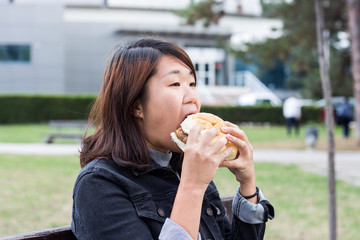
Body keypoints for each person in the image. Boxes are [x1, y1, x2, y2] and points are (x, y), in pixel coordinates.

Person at [71, 37, 274, 240]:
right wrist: (192, 186)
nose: (192, 96)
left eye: (192, 83)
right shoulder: (99, 183)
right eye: (175, 83)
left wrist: (247, 184)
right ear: (136, 106)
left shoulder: (184, 167)